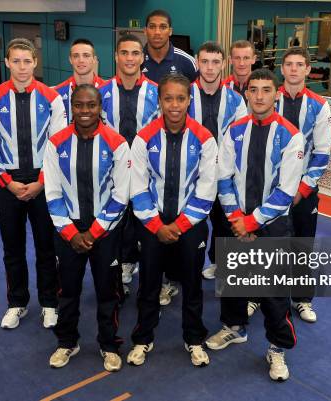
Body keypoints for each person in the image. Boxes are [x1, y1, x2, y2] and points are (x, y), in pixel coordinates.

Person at [206, 68, 303, 382]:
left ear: (276, 93)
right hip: (237, 221)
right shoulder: (234, 131)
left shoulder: (291, 135)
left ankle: (277, 348)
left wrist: (251, 222)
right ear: (245, 93)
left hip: (271, 225)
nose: (259, 96)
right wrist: (236, 219)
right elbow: (223, 178)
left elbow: (287, 191)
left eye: (265, 90)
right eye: (254, 90)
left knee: (274, 294)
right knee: (234, 281)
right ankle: (234, 328)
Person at [127, 74, 217, 367]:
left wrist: (178, 227)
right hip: (153, 223)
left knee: (192, 285)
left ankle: (194, 339)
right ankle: (142, 338)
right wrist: (156, 226)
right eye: (169, 98)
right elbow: (137, 188)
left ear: (189, 100)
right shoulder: (143, 138)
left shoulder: (205, 139)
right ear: (160, 101)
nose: (175, 105)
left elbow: (206, 191)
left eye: (181, 98)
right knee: (149, 285)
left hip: (189, 224)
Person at [0, 38, 67, 330]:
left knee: (47, 247)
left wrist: (42, 182)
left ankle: (49, 303)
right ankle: (17, 303)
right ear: (6, 63)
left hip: (43, 182)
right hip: (8, 184)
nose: (21, 67)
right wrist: (9, 184)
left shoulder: (51, 98)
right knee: (12, 248)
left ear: (35, 62)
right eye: (15, 61)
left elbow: (58, 146)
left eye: (26, 61)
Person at [44, 84, 131, 372]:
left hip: (104, 231)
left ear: (100, 108)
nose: (84, 111)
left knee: (108, 292)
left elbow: (121, 194)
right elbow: (53, 193)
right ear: (72, 107)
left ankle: (109, 345)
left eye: (90, 105)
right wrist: (71, 232)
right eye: (79, 105)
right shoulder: (56, 143)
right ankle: (67, 342)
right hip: (68, 230)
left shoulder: (116, 143)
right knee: (67, 291)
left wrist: (94, 232)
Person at [275, 47, 331, 323]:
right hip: (270, 189)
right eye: (289, 64)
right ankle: (255, 295)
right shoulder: (269, 98)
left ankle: (301, 298)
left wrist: (303, 189)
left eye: (300, 64)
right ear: (282, 69)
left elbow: (322, 153)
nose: (294, 69)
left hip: (303, 190)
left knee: (301, 244)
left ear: (308, 69)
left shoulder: (320, 105)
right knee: (264, 242)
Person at [99, 33, 159, 290]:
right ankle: (121, 265)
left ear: (142, 58)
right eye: (124, 53)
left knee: (147, 224)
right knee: (115, 223)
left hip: (147, 172)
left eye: (135, 53)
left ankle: (152, 276)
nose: (129, 58)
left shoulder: (157, 92)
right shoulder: (101, 92)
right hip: (112, 172)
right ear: (116, 56)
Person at [188, 41, 247, 281]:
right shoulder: (184, 95)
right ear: (197, 62)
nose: (210, 68)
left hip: (225, 174)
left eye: (215, 62)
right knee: (190, 226)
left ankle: (220, 263)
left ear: (223, 64)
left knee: (224, 224)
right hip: (191, 174)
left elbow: (241, 139)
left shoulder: (236, 100)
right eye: (204, 62)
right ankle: (179, 273)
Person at [53, 38, 105, 123]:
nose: (81, 60)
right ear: (70, 60)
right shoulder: (57, 93)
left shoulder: (108, 90)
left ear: (94, 60)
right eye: (76, 56)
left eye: (86, 55)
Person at [141, 9, 197, 83]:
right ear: (145, 31)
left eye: (163, 27)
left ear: (170, 31)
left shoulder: (187, 61)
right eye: (152, 27)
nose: (157, 32)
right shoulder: (134, 60)